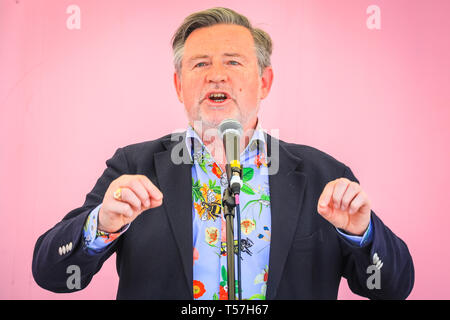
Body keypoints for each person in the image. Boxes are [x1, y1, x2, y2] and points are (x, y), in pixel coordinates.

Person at [32, 7, 414, 300]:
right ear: (180, 86)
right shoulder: (134, 167)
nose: (217, 75)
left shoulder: (323, 173)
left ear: (264, 81)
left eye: (232, 61)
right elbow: (53, 274)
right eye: (200, 64)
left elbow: (392, 287)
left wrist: (362, 234)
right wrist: (101, 224)